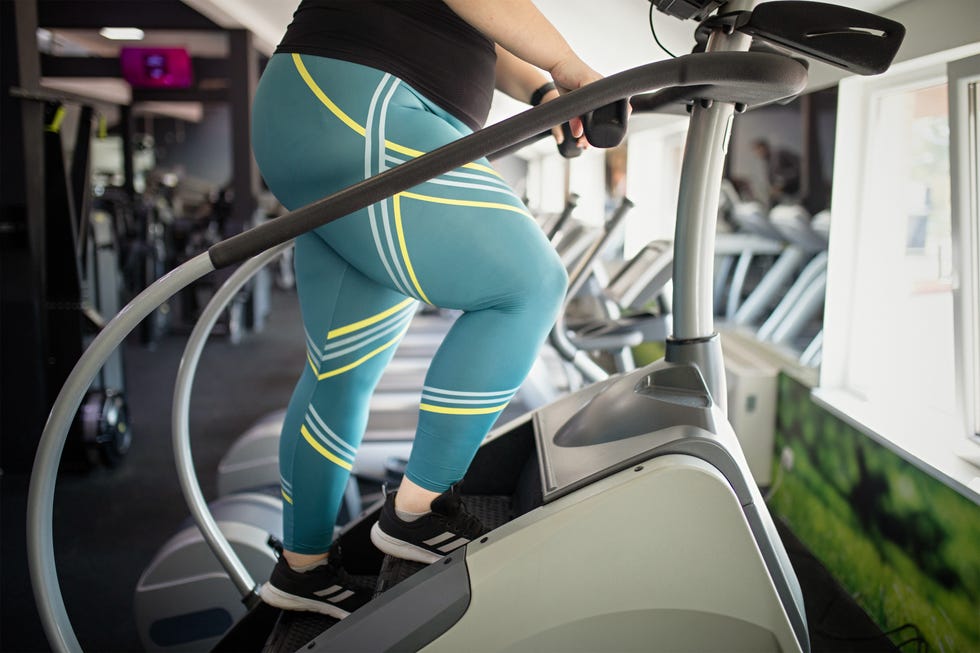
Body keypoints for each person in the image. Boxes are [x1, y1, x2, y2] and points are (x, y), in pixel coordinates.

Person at [251, 0, 602, 619]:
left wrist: (547, 89)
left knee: (340, 370)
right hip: (360, 99)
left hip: (338, 105)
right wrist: (567, 62)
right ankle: (418, 510)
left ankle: (302, 570)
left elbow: (483, 34)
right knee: (529, 284)